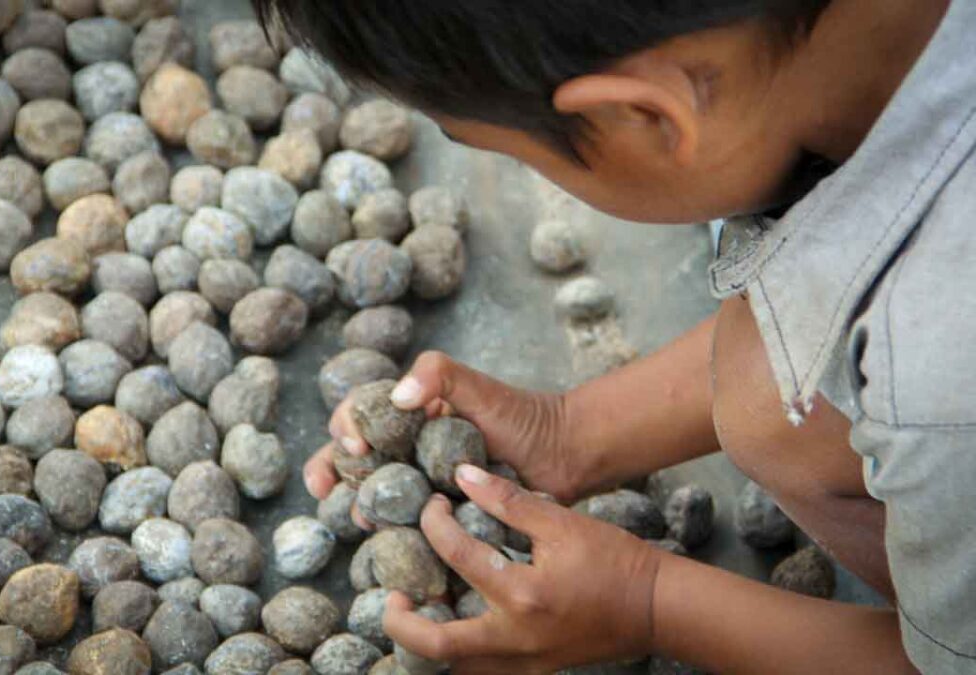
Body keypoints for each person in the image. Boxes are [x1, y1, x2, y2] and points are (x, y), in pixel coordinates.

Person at [256, 1, 974, 672]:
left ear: (643, 117)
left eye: (518, 153)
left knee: (774, 404)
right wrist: (568, 431)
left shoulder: (937, 366)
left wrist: (649, 599)